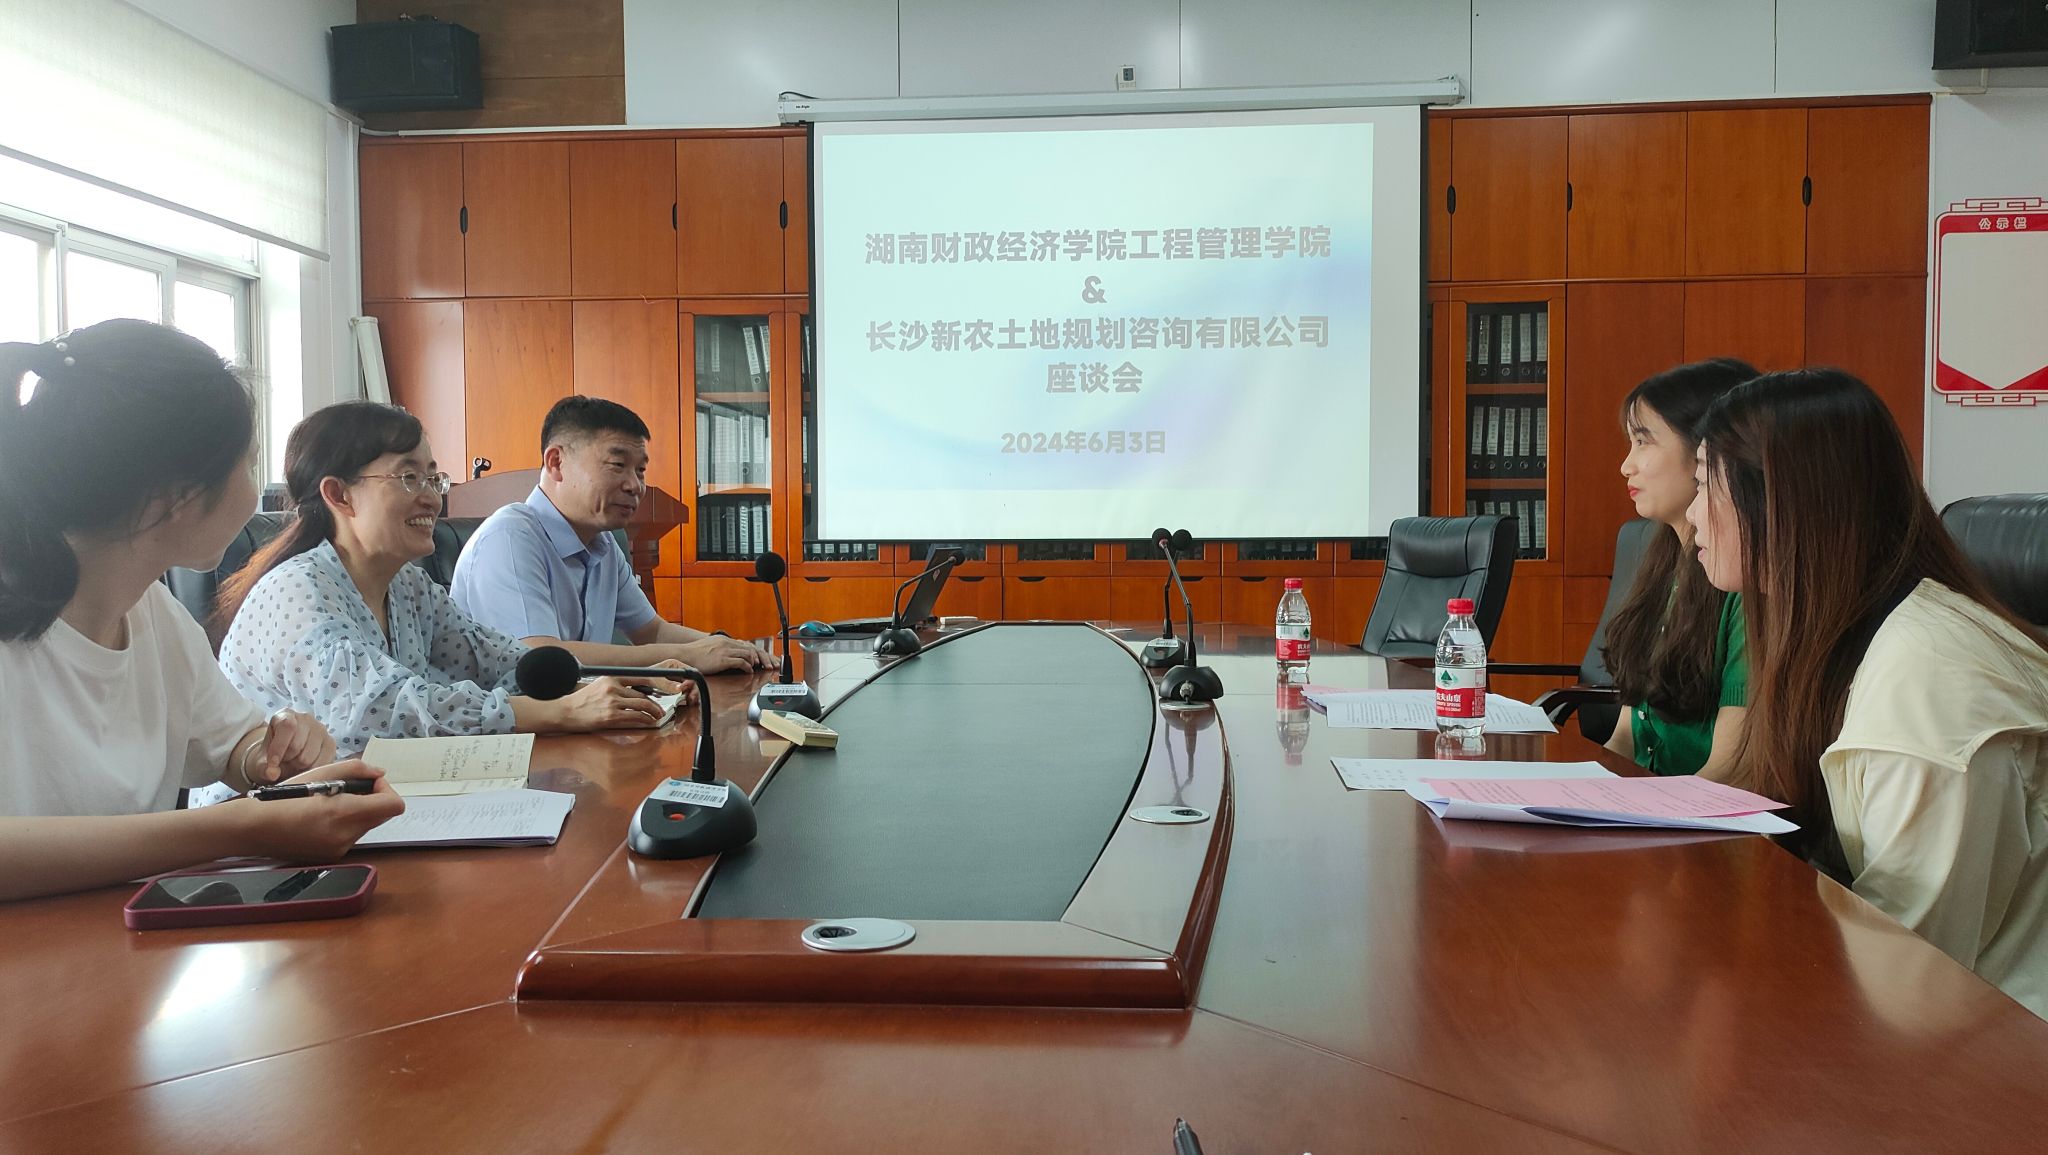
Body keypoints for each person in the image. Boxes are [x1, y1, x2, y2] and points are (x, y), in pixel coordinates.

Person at [0, 321, 401, 902]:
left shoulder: (151, 611)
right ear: (177, 499)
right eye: (249, 465)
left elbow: (231, 743)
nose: (258, 494)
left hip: (123, 942)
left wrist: (270, 755)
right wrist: (236, 827)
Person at [1690, 368, 2048, 1017]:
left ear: (1779, 502)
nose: (1692, 518)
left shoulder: (1927, 678)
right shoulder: (1845, 634)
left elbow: (1905, 984)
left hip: (1999, 1050)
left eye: (1702, 485)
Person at [216, 402, 683, 757]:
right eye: (408, 478)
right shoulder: (297, 590)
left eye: (433, 478)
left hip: (378, 805)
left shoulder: (409, 587)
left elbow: (499, 661)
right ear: (339, 494)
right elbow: (383, 713)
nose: (431, 499)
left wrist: (621, 684)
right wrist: (561, 711)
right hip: (262, 831)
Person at [450, 396, 775, 674]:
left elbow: (653, 632)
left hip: (579, 713)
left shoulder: (603, 543)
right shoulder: (509, 537)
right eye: (618, 465)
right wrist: (688, 656)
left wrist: (732, 649)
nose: (635, 485)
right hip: (509, 722)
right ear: (556, 462)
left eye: (640, 470)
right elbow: (539, 655)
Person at [1601, 358, 1758, 777]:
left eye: (1644, 441)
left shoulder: (1745, 584)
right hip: (1642, 803)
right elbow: (1624, 740)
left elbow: (1730, 769)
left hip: (1699, 812)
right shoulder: (1662, 562)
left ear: (1710, 452)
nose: (1626, 465)